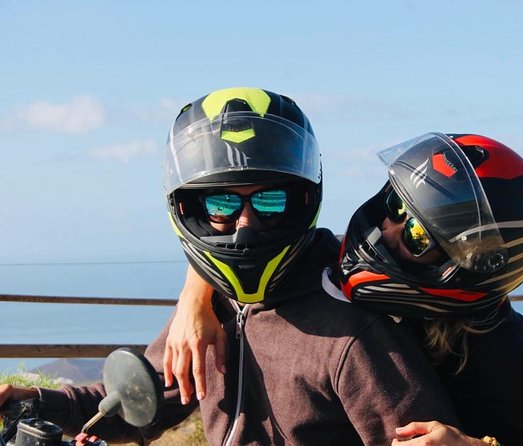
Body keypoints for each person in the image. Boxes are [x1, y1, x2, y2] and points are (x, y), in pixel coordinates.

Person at [0, 88, 472, 445]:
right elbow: (146, 400)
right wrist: (38, 402)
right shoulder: (215, 302)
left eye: (269, 198)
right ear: (190, 206)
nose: (245, 224)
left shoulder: (353, 325)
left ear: (301, 198)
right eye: (222, 202)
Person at [164, 132, 523, 445]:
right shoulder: (347, 270)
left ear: (460, 270)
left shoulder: (499, 353)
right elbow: (249, 248)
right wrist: (194, 298)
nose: (385, 228)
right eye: (396, 204)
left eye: (418, 236)